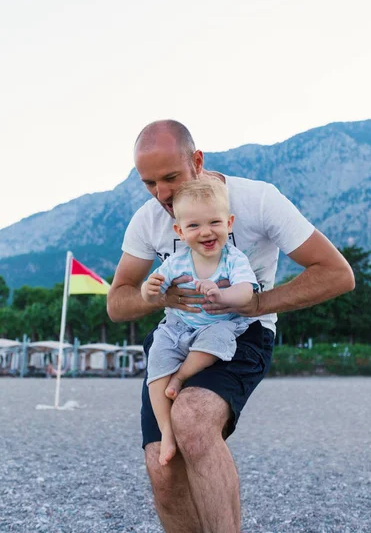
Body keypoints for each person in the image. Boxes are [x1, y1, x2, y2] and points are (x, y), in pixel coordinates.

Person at [107, 119, 355, 533]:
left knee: (193, 418)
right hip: (176, 334)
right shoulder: (149, 220)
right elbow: (117, 302)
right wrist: (157, 296)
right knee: (163, 468)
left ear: (198, 161)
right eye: (150, 183)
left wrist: (254, 302)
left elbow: (336, 273)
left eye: (171, 177)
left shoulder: (258, 200)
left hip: (240, 333)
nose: (162, 194)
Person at [141, 178, 258, 467]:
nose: (206, 232)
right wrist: (149, 288)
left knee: (218, 339)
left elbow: (247, 291)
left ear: (229, 223)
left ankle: (180, 376)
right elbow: (150, 292)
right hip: (178, 327)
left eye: (214, 222)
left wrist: (223, 293)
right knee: (155, 364)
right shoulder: (177, 261)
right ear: (180, 231)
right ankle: (167, 431)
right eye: (194, 226)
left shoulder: (233, 258)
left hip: (217, 324)